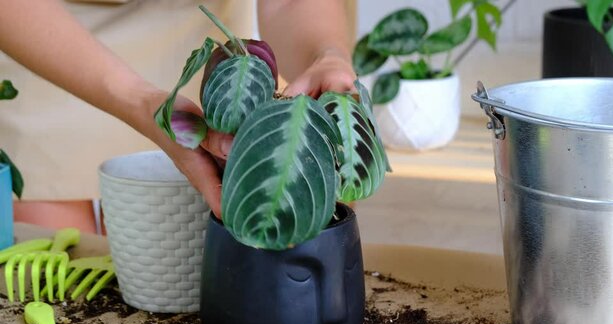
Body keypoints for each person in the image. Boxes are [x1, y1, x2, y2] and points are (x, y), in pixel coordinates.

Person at [0, 0, 357, 233]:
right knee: (52, 274)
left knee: (180, 275)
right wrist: (138, 100)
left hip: (200, 59)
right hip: (47, 44)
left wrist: (325, 54)